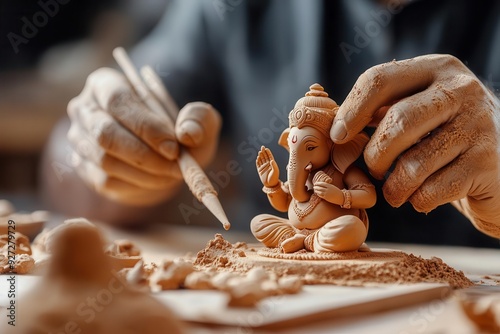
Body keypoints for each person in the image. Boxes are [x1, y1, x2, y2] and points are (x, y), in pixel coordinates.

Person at [41, 0, 500, 246]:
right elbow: (69, 156)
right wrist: (108, 153)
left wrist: (340, 194)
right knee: (265, 223)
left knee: (345, 230)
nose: (300, 158)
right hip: (283, 307)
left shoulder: (344, 165)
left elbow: (360, 194)